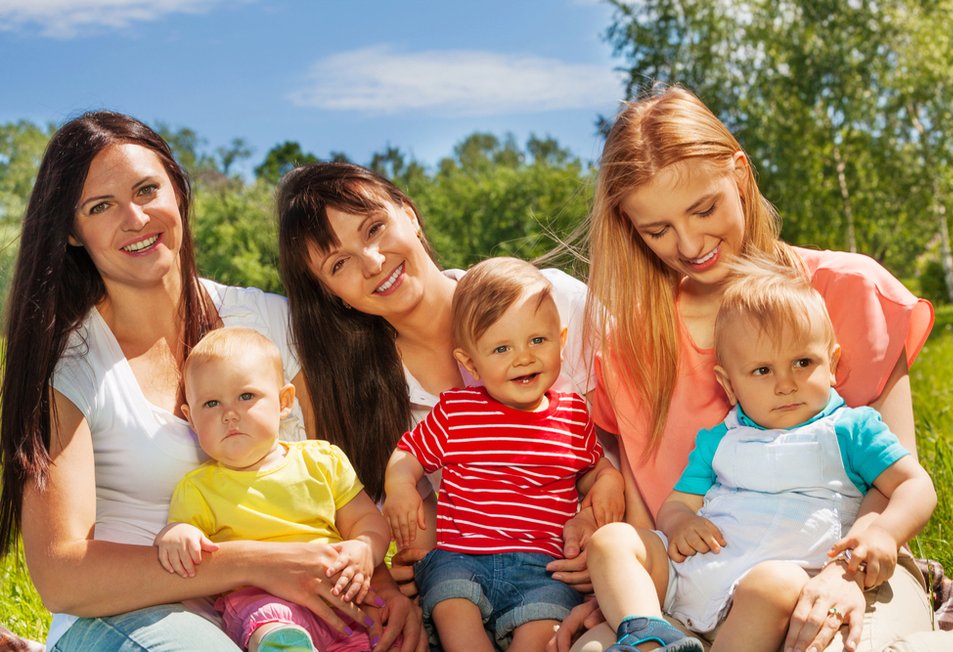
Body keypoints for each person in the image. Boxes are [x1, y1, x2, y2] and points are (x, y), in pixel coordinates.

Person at [0, 111, 423, 652]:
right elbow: (61, 574)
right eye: (100, 207)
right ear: (72, 232)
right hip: (130, 615)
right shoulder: (73, 363)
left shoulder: (271, 322)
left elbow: (329, 488)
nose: (134, 218)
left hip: (289, 612)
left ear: (178, 191)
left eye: (147, 189)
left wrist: (381, 588)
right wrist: (255, 563)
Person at [550, 85, 942, 652]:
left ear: (740, 172)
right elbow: (647, 524)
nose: (689, 245)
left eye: (704, 208)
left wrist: (845, 575)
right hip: (695, 586)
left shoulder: (849, 289)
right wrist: (626, 598)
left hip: (840, 567)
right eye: (656, 230)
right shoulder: (630, 345)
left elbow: (896, 481)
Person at [276, 162, 598, 594]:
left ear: (408, 214)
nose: (372, 263)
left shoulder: (554, 300)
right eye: (339, 264)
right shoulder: (364, 406)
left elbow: (637, 443)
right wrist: (408, 571)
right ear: (333, 295)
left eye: (373, 229)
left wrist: (612, 536)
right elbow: (395, 535)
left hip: (596, 577)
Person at [586, 259, 936, 652]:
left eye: (803, 363)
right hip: (698, 574)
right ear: (728, 383)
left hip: (774, 595)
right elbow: (677, 504)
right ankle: (649, 636)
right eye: (762, 371)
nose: (786, 384)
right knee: (611, 541)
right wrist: (681, 521)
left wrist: (883, 532)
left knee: (773, 583)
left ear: (832, 363)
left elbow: (915, 483)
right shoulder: (719, 439)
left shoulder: (850, 430)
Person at [383, 257, 624, 651]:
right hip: (462, 557)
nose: (523, 357)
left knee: (542, 628)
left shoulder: (571, 414)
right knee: (452, 606)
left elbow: (590, 468)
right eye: (501, 348)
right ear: (470, 362)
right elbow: (408, 453)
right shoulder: (456, 411)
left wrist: (609, 480)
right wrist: (400, 485)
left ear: (561, 340)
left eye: (537, 341)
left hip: (542, 567)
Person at [157, 327, 392, 652]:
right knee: (266, 619)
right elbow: (183, 541)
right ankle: (283, 646)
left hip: (338, 598)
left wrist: (365, 547)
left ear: (284, 402)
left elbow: (366, 519)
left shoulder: (322, 461)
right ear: (191, 419)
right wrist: (176, 533)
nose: (229, 414)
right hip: (260, 597)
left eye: (246, 396)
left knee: (371, 640)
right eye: (211, 403)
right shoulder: (198, 487)